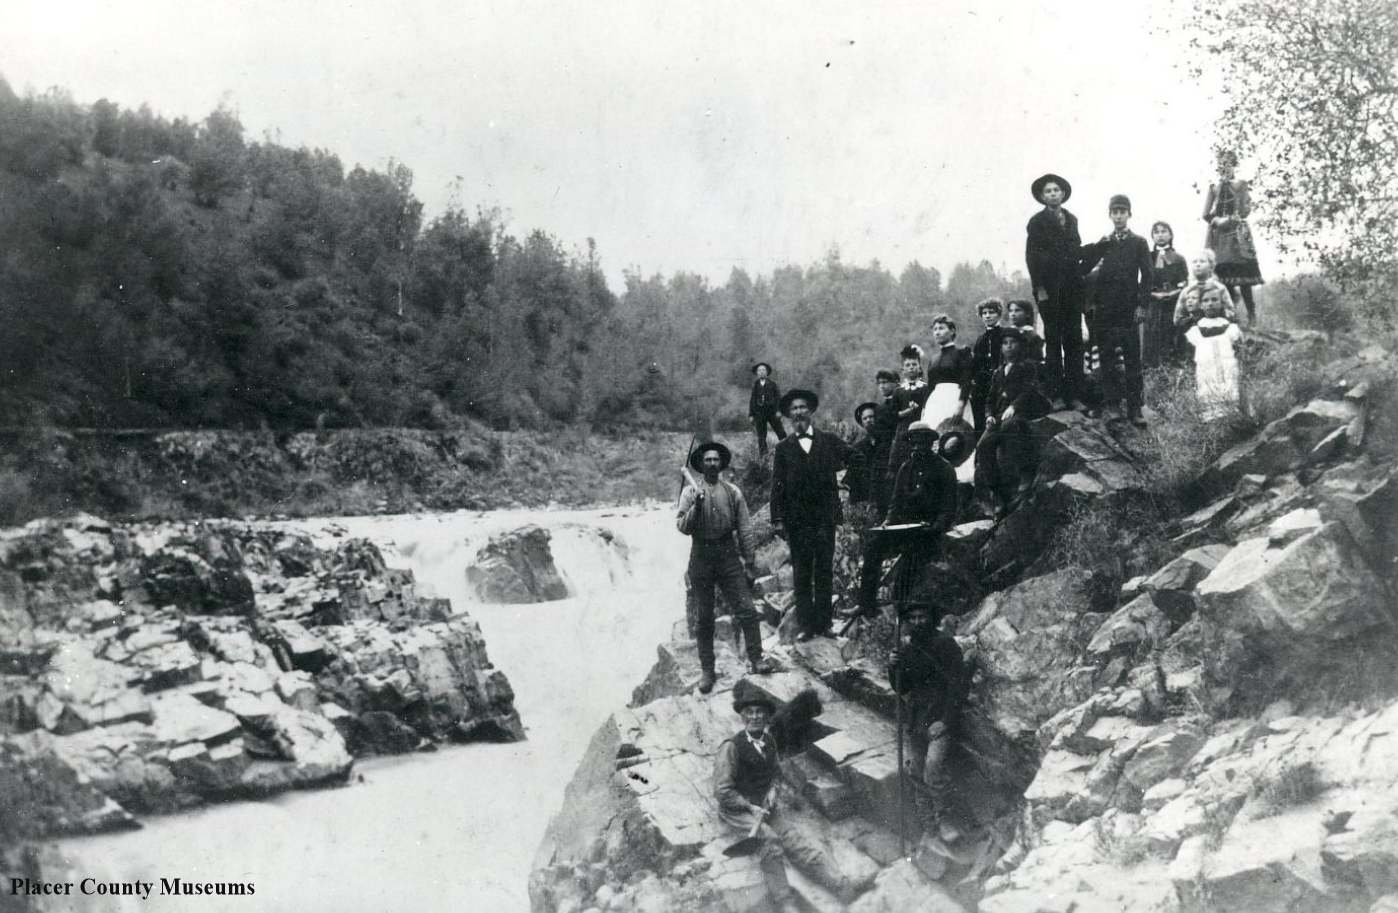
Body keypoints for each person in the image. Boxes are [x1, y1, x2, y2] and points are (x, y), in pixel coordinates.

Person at [713, 680, 854, 910]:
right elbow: (722, 790)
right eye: (750, 712)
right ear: (743, 717)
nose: (756, 717)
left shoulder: (769, 742)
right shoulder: (731, 747)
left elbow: (776, 774)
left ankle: (841, 886)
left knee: (798, 841)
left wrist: (773, 791)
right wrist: (749, 807)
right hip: (737, 810)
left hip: (766, 807)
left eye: (760, 712)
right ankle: (786, 903)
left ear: (768, 716)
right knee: (769, 841)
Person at [677, 442, 777, 694]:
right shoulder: (690, 493)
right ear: (701, 465)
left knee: (747, 609)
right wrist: (697, 507)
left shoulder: (733, 492)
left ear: (721, 464)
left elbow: (744, 528)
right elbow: (682, 526)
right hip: (701, 556)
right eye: (707, 460)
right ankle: (707, 670)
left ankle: (756, 659)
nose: (711, 463)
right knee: (704, 618)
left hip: (727, 555)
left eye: (715, 460)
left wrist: (750, 562)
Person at [854, 420, 963, 618]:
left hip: (928, 533)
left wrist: (935, 527)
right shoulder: (906, 468)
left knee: (909, 561)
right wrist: (887, 524)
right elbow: (895, 504)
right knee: (873, 546)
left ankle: (900, 611)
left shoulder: (944, 469)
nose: (917, 447)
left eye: (922, 442)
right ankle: (866, 604)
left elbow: (948, 509)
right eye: (913, 442)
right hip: (903, 529)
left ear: (930, 443)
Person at [770, 389, 849, 641]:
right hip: (797, 521)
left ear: (811, 411)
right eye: (794, 409)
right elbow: (777, 485)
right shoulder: (784, 448)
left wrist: (846, 480)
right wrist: (778, 519)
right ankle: (805, 625)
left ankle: (824, 623)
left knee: (824, 570)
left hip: (825, 518)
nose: (799, 412)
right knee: (801, 573)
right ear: (789, 416)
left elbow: (855, 459)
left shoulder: (829, 440)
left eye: (803, 407)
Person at [888, 603, 970, 839]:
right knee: (915, 770)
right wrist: (893, 667)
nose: (917, 622)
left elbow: (958, 686)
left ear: (930, 617)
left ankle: (945, 820)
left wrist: (946, 721)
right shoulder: (907, 647)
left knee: (933, 767)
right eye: (911, 617)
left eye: (922, 616)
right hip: (916, 718)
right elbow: (901, 686)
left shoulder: (945, 645)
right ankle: (928, 824)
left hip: (939, 717)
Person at [1080, 194, 1153, 427]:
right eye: (1115, 212)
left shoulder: (1139, 243)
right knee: (1107, 357)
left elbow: (1148, 276)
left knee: (1133, 358)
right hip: (1104, 310)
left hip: (1129, 310)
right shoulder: (1105, 242)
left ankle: (1135, 408)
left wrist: (1142, 305)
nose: (1119, 216)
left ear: (1129, 215)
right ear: (1110, 215)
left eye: (1123, 211)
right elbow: (1085, 269)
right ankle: (1112, 405)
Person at [1025, 172, 1087, 412]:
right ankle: (1056, 395)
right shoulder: (1037, 222)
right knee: (1053, 342)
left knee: (1074, 342)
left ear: (1063, 194)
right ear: (1042, 196)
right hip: (1049, 291)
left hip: (1072, 289)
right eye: (1048, 191)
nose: (1052, 194)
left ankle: (1074, 395)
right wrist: (1040, 288)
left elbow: (1077, 250)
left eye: (1056, 190)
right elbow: (1032, 257)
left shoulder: (1071, 220)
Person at [974, 330, 1049, 519]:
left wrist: (1014, 406)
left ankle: (1026, 475)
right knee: (983, 445)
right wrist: (989, 415)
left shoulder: (1027, 367)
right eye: (1005, 343)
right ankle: (997, 493)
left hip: (1022, 411)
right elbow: (990, 399)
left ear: (1020, 345)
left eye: (1013, 342)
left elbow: (1029, 390)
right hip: (999, 415)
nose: (1008, 346)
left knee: (1011, 427)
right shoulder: (998, 372)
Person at [1203, 150, 1264, 325]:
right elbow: (1206, 213)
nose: (1225, 168)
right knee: (1225, 278)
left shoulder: (1240, 185)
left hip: (1237, 236)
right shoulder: (1214, 187)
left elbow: (1245, 208)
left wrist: (1232, 219)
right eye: (1221, 165)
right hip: (1220, 238)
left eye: (1228, 164)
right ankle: (1232, 316)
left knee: (1244, 278)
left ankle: (1252, 316)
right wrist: (1217, 220)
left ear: (1234, 166)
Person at [1184, 286, 1245, 421]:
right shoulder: (1194, 332)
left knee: (1232, 406)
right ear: (1200, 305)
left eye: (1214, 299)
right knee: (1209, 408)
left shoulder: (1232, 329)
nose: (1210, 303)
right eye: (1206, 300)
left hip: (1229, 374)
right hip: (1205, 376)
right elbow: (1189, 361)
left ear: (1222, 302)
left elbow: (1241, 355)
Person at [885, 344, 932, 493]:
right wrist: (908, 411)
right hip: (903, 434)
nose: (911, 367)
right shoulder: (899, 392)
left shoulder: (925, 388)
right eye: (907, 365)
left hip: (921, 433)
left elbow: (930, 409)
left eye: (914, 364)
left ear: (919, 367)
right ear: (902, 369)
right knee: (902, 470)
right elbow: (892, 416)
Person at [1145, 221, 1188, 367]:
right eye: (1156, 232)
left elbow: (1184, 282)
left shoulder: (1178, 258)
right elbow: (1143, 280)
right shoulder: (1147, 257)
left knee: (1171, 329)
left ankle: (1171, 362)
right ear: (1152, 236)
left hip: (1173, 301)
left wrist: (1174, 293)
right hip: (1153, 301)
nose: (1160, 235)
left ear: (1170, 235)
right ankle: (1152, 365)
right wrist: (1152, 294)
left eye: (1164, 231)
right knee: (1152, 330)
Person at [923, 314, 973, 428]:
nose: (937, 332)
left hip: (955, 400)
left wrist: (960, 405)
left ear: (951, 331)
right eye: (935, 329)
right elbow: (930, 386)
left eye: (941, 328)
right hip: (935, 403)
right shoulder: (933, 359)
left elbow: (966, 381)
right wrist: (924, 408)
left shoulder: (962, 353)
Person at [1174, 249, 1236, 334]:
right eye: (1194, 262)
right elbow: (1177, 318)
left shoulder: (1220, 288)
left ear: (1211, 266)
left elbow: (1231, 313)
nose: (1198, 264)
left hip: (1218, 332)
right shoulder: (1187, 291)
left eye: (1202, 261)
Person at [968, 298, 1006, 433]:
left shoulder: (1005, 335)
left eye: (991, 312)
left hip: (1001, 383)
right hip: (983, 387)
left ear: (999, 314)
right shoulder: (981, 340)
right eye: (984, 313)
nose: (988, 316)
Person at [748, 363, 786, 458]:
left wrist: (779, 411)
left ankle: (787, 450)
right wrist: (751, 415)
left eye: (763, 370)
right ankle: (764, 456)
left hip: (772, 412)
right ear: (757, 373)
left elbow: (778, 398)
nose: (761, 372)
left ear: (767, 372)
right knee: (761, 436)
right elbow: (752, 401)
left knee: (780, 432)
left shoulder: (772, 384)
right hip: (759, 414)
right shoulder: (756, 385)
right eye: (759, 370)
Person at [1004, 298, 1046, 365]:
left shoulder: (1032, 336)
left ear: (1027, 314)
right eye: (1010, 311)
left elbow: (1036, 361)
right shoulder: (1006, 333)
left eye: (1017, 310)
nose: (1013, 314)